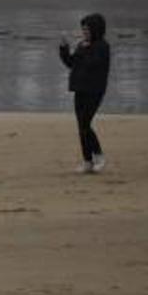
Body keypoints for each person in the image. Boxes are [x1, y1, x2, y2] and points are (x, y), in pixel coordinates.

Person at [59, 13, 111, 174]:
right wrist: (64, 48)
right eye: (83, 29)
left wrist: (85, 50)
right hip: (79, 89)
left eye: (87, 29)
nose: (84, 32)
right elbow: (71, 63)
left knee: (86, 124)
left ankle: (99, 156)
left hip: (94, 91)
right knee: (81, 126)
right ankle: (87, 161)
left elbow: (92, 64)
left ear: (96, 29)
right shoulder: (83, 45)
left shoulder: (103, 46)